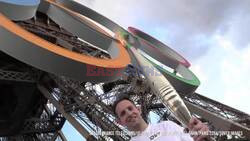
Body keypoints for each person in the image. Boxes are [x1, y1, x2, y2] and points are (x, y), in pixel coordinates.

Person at [113, 95, 210, 141]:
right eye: (123, 113)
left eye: (130, 108)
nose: (129, 113)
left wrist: (202, 135)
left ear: (138, 109)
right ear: (120, 122)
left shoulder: (167, 126)